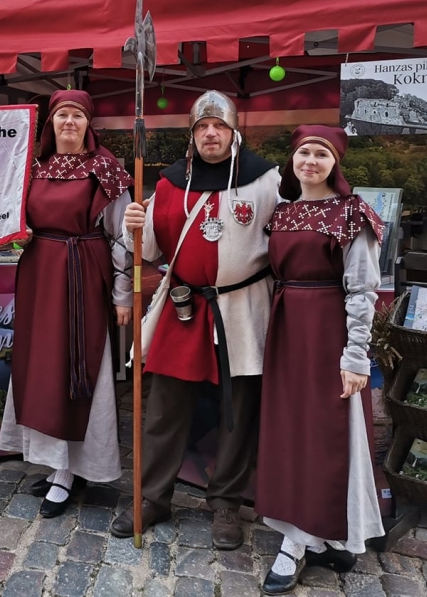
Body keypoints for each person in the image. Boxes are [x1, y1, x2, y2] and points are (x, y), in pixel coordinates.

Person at [113, 90, 280, 549]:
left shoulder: (266, 181)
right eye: (203, 127)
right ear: (192, 135)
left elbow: (285, 239)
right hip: (184, 307)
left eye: (219, 127)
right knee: (164, 408)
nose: (211, 133)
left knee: (237, 412)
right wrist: (135, 224)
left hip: (243, 307)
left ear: (233, 133)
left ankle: (225, 502)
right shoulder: (168, 183)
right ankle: (152, 498)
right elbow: (147, 251)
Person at [255, 125, 385, 595]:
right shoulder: (282, 212)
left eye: (321, 155)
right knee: (291, 430)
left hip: (328, 332)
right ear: (292, 160)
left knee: (326, 433)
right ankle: (317, 532)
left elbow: (362, 289)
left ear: (336, 164)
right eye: (304, 153)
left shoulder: (352, 214)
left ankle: (300, 539)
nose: (310, 161)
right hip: (287, 329)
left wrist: (355, 356)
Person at [0, 89, 133, 518]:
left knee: (77, 367)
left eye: (76, 115)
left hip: (81, 279)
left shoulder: (106, 169)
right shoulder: (31, 168)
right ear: (50, 124)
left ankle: (73, 471)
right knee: (42, 369)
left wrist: (122, 294)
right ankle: (55, 463)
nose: (68, 122)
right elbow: (12, 219)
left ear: (87, 124)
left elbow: (123, 238)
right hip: (39, 277)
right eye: (61, 116)